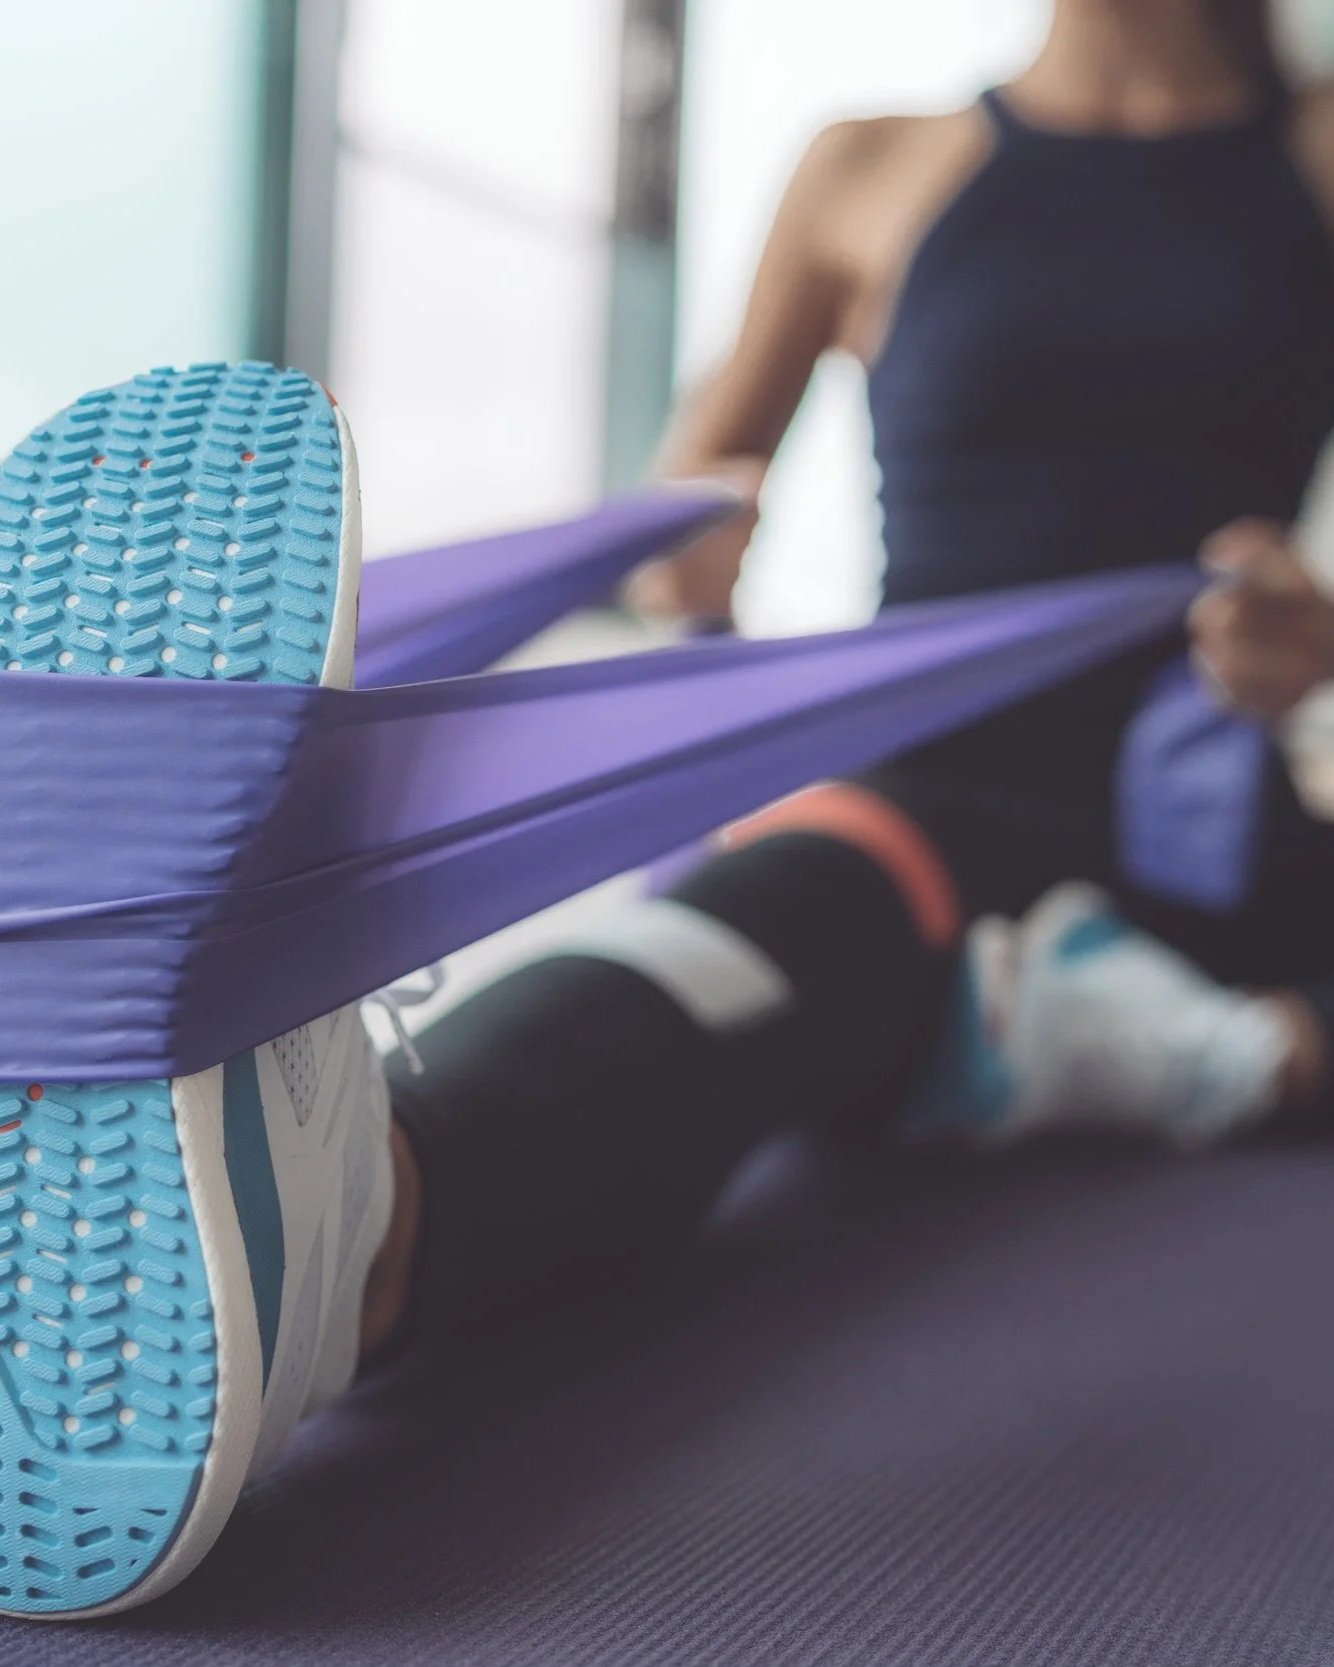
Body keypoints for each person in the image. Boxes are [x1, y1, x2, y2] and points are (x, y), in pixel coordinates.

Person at [4, 0, 1334, 1623]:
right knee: (749, 949)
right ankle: (363, 1232)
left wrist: (1309, 626)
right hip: (922, 780)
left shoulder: (1319, 151)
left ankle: (1126, 1045)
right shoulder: (873, 167)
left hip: (1213, 820)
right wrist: (680, 551)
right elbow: (700, 478)